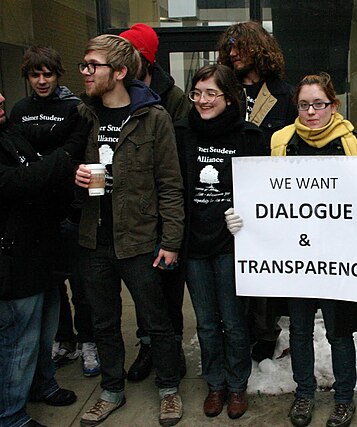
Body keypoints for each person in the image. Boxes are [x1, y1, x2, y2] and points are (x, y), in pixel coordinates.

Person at [73, 34, 184, 426]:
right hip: (93, 238)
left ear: (119, 72)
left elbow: (170, 185)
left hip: (139, 239)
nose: (85, 73)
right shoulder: (81, 116)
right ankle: (111, 390)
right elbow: (59, 167)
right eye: (84, 65)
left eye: (93, 66)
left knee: (157, 319)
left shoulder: (153, 118)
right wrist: (74, 176)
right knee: (103, 321)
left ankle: (169, 389)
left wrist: (171, 241)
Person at [267, 72, 357, 427]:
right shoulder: (280, 142)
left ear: (333, 105)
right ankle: (304, 394)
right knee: (300, 329)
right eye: (303, 104)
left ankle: (344, 398)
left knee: (338, 331)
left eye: (318, 104)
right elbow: (270, 195)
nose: (310, 112)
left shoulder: (355, 143)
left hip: (339, 253)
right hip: (298, 253)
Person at [175, 63, 266, 421]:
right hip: (193, 243)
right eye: (197, 93)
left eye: (211, 93)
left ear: (229, 97)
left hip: (233, 243)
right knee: (207, 321)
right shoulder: (181, 132)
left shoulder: (249, 137)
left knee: (233, 318)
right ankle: (216, 384)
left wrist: (248, 216)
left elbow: (264, 193)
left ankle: (237, 384)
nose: (202, 100)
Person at [10, 44, 100, 377]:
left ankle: (89, 340)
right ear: (28, 76)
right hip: (36, 212)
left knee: (82, 284)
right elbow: (18, 152)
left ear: (57, 74)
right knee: (51, 283)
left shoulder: (74, 108)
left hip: (71, 209)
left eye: (48, 73)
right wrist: (50, 165)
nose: (42, 80)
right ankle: (65, 340)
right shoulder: (19, 110)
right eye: (36, 74)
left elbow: (74, 149)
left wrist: (41, 165)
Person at [1, 91, 86, 427]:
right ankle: (10, 414)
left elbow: (42, 150)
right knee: (17, 341)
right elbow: (24, 180)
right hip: (14, 260)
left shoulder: (10, 130)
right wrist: (63, 158)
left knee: (43, 332)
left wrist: (78, 119)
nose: (3, 96)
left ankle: (42, 385)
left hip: (42, 253)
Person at [218, 21, 298, 362]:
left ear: (259, 48)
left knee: (266, 270)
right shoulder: (223, 90)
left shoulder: (285, 95)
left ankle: (266, 333)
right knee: (232, 270)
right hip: (227, 195)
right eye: (229, 47)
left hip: (270, 199)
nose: (233, 53)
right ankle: (239, 331)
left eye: (241, 46)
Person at [120, 22, 190, 383]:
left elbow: (173, 163)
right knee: (144, 292)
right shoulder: (114, 97)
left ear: (143, 58)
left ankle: (171, 347)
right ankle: (148, 345)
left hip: (165, 210)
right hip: (133, 216)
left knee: (168, 290)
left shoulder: (173, 99)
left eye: (128, 54)